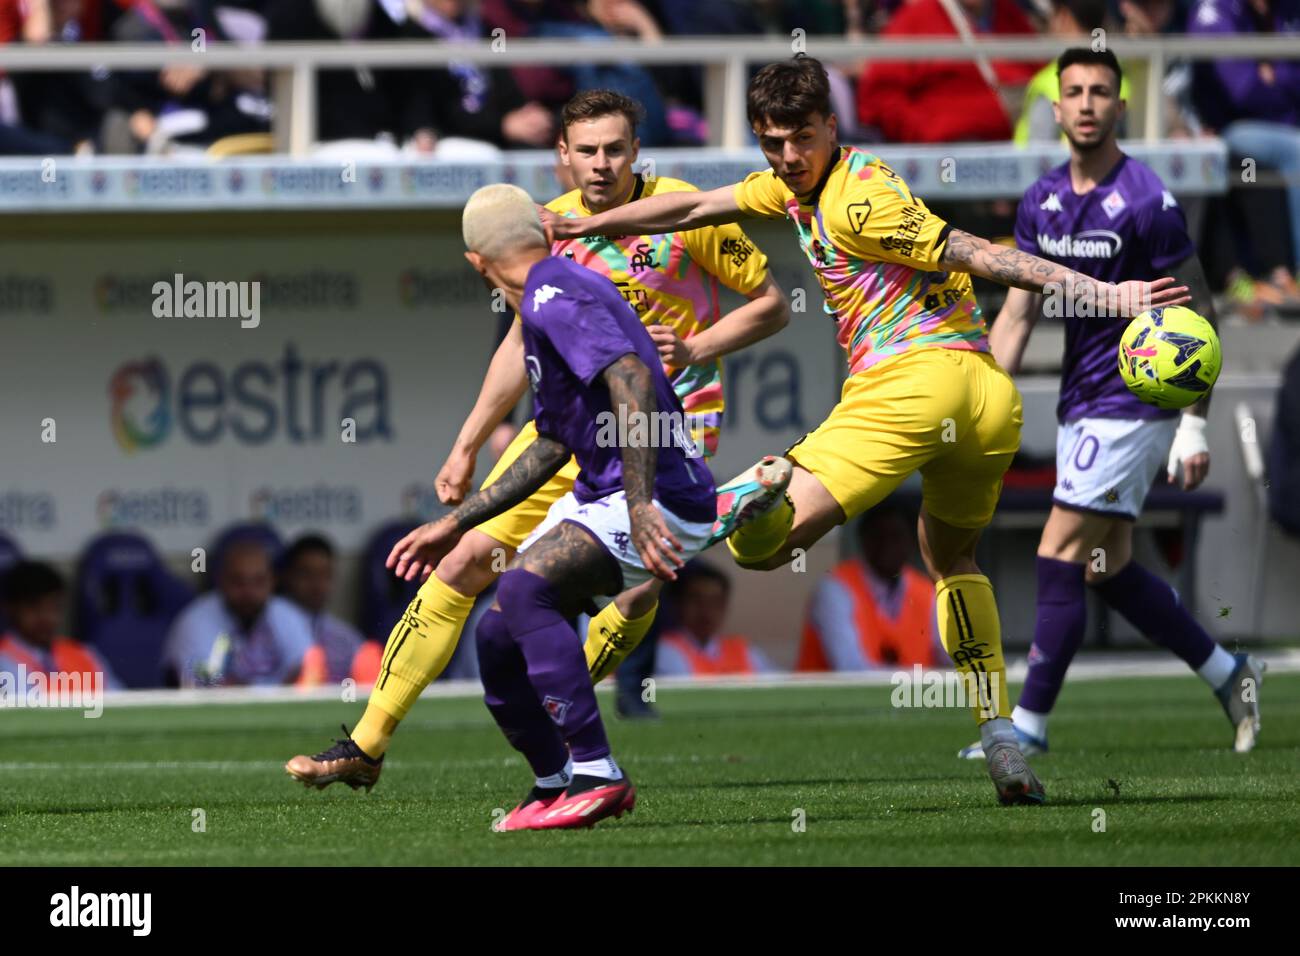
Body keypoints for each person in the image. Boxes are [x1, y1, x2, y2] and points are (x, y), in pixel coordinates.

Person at [546, 56, 1192, 806]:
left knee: (758, 544)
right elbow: (690, 209)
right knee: (951, 557)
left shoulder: (863, 199)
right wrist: (588, 224)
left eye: (800, 140)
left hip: (910, 386)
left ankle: (752, 488)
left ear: (832, 126)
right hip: (984, 399)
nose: (787, 158)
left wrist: (1107, 295)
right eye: (771, 143)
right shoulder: (794, 183)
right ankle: (1001, 735)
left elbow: (982, 254)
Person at [284, 88, 787, 783]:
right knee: (461, 559)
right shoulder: (549, 229)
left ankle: (568, 717)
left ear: (636, 152)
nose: (602, 164)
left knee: (634, 593)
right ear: (563, 156)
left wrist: (697, 347)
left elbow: (771, 305)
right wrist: (468, 441)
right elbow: (521, 336)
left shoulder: (683, 210)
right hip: (569, 428)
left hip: (665, 421)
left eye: (615, 149)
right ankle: (366, 745)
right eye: (587, 151)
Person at [965, 47, 1263, 759]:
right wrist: (983, 405)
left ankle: (1028, 728)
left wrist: (1194, 423)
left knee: (1058, 551)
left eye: (1102, 90)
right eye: (1075, 91)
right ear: (1058, 106)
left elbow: (1203, 316)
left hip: (1136, 405)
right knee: (1108, 570)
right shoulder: (1040, 202)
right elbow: (1015, 317)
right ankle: (1232, 674)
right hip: (1079, 400)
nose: (1089, 103)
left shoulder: (1147, 200)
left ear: (1121, 105)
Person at [798, 504, 943, 672]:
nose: (888, 545)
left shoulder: (926, 591)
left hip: (911, 696)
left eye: (896, 536)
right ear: (864, 540)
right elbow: (850, 668)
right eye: (879, 536)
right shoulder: (835, 590)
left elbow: (949, 656)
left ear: (911, 542)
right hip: (828, 698)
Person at [164, 538, 314, 686]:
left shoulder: (286, 615)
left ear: (273, 581)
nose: (248, 592)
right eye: (238, 581)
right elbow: (209, 686)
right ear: (221, 580)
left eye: (258, 581)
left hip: (280, 708)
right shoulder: (195, 622)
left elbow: (310, 670)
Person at [0, 561, 119, 693]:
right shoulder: (3, 661)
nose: (46, 617)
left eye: (54, 607)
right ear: (10, 608)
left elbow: (124, 703)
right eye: (34, 607)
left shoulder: (84, 654)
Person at [277, 533, 369, 686]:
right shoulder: (271, 622)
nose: (316, 584)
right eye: (306, 574)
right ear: (287, 576)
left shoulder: (345, 635)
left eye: (324, 574)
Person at [655, 561, 774, 677]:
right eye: (697, 601)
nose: (706, 610)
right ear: (678, 603)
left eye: (715, 602)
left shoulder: (743, 650)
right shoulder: (666, 650)